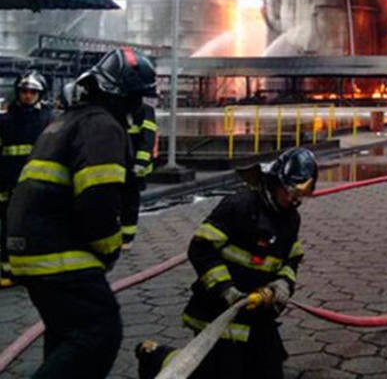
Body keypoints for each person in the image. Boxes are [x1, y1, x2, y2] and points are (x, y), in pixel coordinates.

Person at [5, 48, 156, 378]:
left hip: (29, 248)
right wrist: (109, 247)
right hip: (58, 250)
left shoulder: (68, 121)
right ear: (120, 94)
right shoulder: (102, 125)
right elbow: (97, 198)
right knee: (98, 330)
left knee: (66, 334)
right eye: (136, 97)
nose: (138, 106)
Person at [136, 147, 318, 379]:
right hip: (217, 311)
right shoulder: (240, 206)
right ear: (277, 181)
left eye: (301, 194)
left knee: (270, 371)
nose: (295, 198)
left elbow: (291, 259)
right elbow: (201, 248)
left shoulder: (290, 219)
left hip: (256, 316)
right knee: (213, 373)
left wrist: (283, 284)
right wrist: (226, 290)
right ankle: (156, 358)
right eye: (292, 190)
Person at [0, 71, 54, 288]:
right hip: (8, 182)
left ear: (40, 95)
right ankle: (7, 270)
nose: (28, 95)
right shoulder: (4, 121)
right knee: (9, 227)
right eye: (24, 91)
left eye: (33, 92)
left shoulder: (48, 120)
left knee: (38, 227)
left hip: (39, 184)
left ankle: (36, 271)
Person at [121, 100, 158, 248]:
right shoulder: (114, 109)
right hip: (117, 163)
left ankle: (127, 237)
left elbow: (147, 138)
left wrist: (140, 164)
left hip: (134, 167)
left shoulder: (143, 110)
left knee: (130, 201)